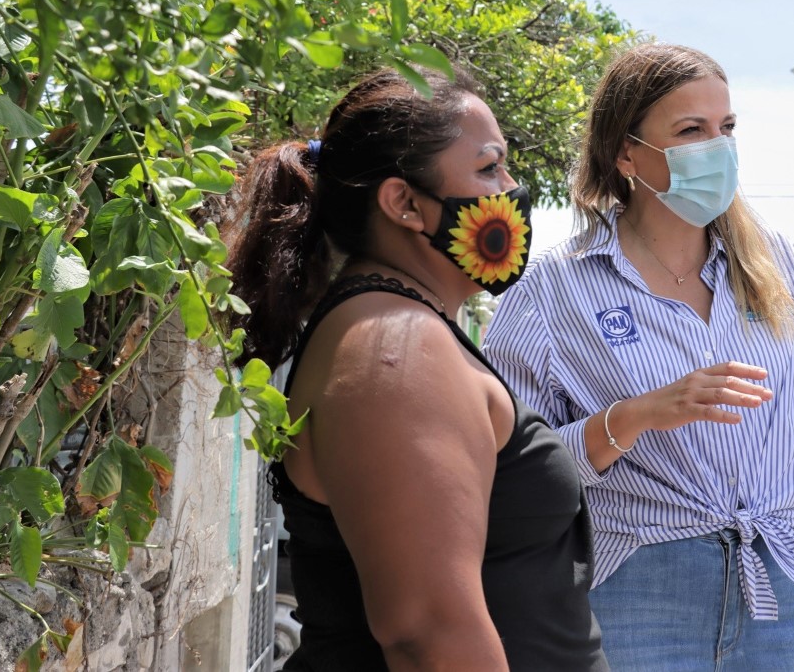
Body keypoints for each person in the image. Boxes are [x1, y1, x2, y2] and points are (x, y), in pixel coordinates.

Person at [482, 43, 794, 670]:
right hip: (638, 598)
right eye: (690, 130)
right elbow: (505, 476)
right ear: (625, 152)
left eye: (726, 128)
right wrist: (633, 417)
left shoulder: (793, 273)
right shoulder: (550, 291)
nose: (717, 148)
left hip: (784, 598)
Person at [225, 67, 607, 671]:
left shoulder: (404, 331)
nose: (511, 189)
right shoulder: (395, 352)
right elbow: (426, 632)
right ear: (404, 203)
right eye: (488, 168)